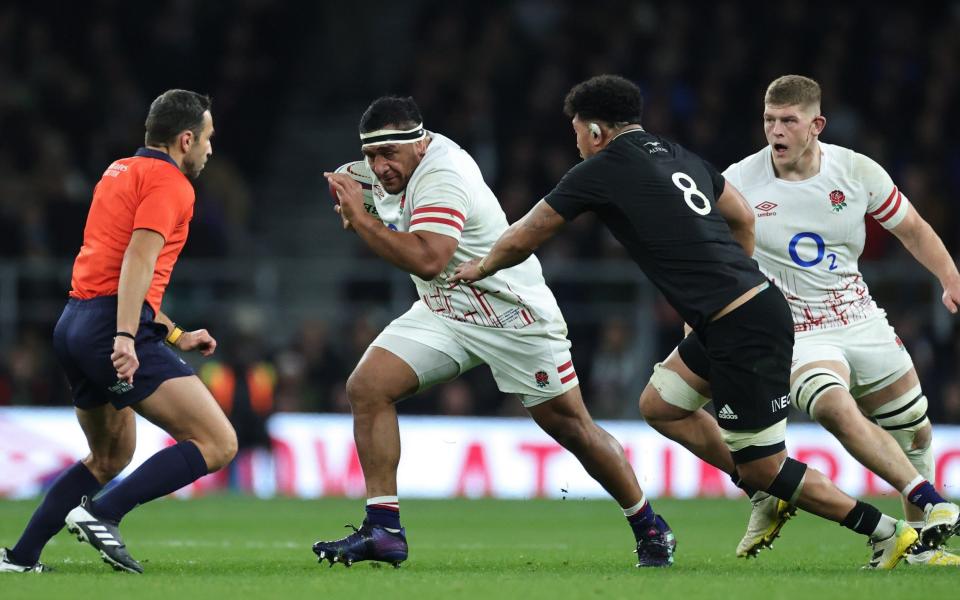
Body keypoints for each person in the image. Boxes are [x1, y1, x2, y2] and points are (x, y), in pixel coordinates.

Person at [452, 74, 920, 570]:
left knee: (766, 465)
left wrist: (480, 267)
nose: (576, 142)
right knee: (662, 405)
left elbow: (528, 231)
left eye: (576, 132)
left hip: (744, 326)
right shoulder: (675, 154)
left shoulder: (601, 168)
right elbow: (741, 215)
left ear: (593, 131)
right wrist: (731, 283)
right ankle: (761, 493)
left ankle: (886, 531)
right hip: (733, 315)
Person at [313, 95, 675, 569]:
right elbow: (380, 212)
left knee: (572, 429)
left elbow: (427, 256)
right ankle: (384, 529)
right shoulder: (372, 173)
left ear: (420, 143)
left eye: (389, 155)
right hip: (446, 307)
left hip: (512, 315)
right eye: (371, 156)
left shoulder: (443, 174)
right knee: (367, 387)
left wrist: (360, 220)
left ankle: (648, 523)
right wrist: (356, 209)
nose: (379, 167)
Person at [637, 74, 960, 565]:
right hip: (795, 327)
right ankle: (929, 500)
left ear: (816, 125)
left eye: (789, 120)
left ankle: (919, 548)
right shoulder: (738, 181)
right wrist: (698, 328)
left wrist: (950, 277)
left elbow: (912, 229)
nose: (776, 131)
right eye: (769, 120)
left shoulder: (856, 172)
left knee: (914, 432)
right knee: (830, 404)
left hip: (858, 316)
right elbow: (708, 261)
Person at [0, 90, 237, 574]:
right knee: (218, 442)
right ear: (185, 139)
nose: (210, 150)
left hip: (75, 322)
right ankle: (102, 512)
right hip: (111, 327)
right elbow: (138, 260)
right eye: (207, 139)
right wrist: (127, 338)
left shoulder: (120, 170)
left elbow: (118, 270)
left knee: (110, 456)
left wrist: (175, 336)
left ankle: (20, 558)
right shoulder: (173, 184)